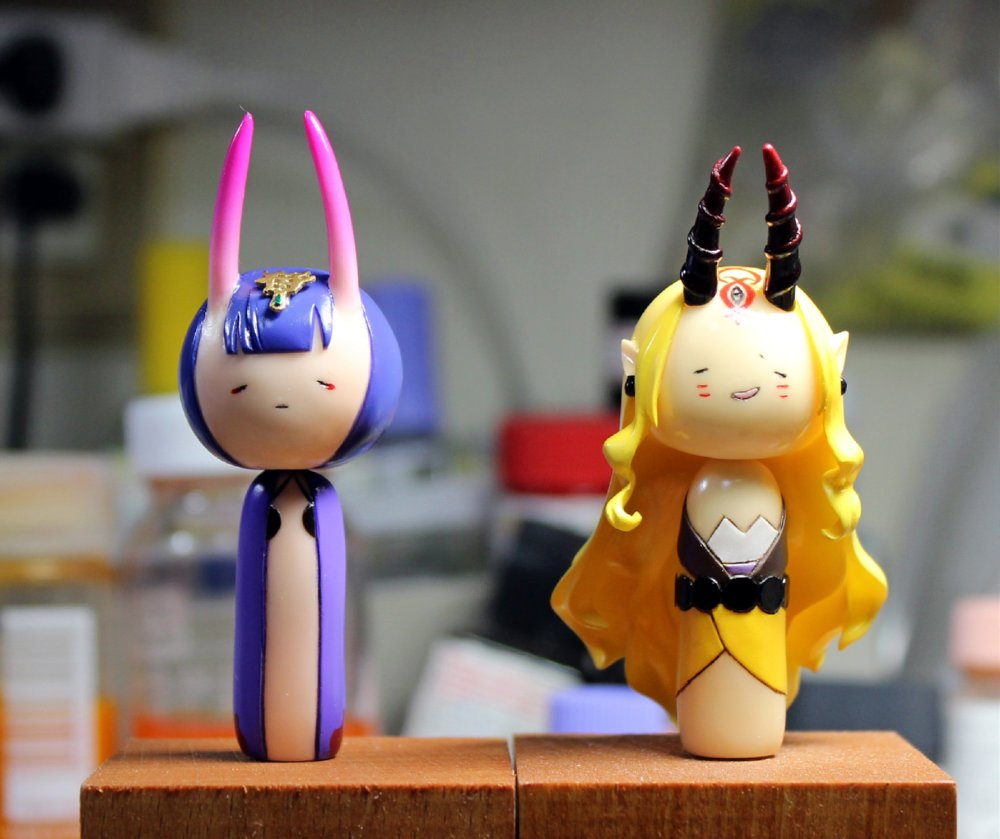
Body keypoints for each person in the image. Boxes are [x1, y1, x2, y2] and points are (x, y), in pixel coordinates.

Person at [552, 145, 886, 758]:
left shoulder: (778, 486)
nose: (743, 384)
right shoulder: (691, 488)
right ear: (637, 373)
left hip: (761, 646)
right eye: (698, 372)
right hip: (700, 640)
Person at [179, 111, 401, 761]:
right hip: (255, 720)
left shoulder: (322, 508)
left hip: (322, 716)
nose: (277, 401)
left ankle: (309, 730)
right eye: (243, 389)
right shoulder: (258, 506)